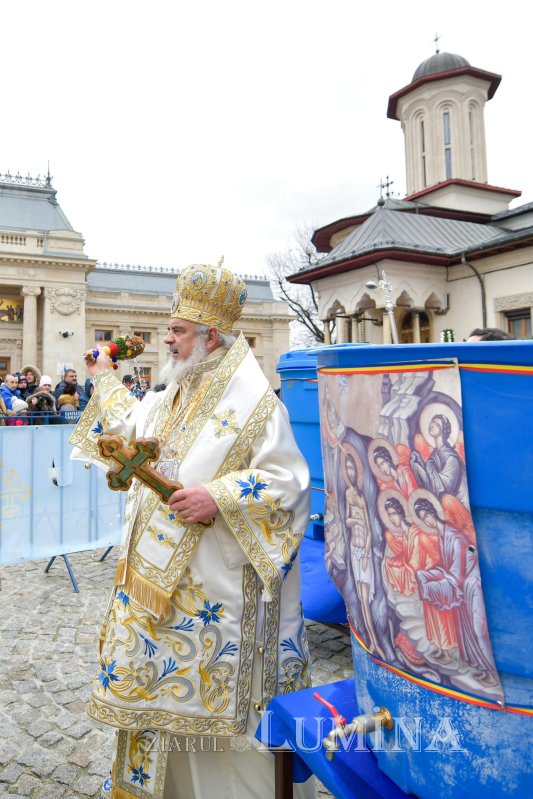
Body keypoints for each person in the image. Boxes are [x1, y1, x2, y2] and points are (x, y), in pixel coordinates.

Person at [70, 262, 315, 799]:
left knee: (218, 728)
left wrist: (219, 497)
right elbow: (128, 430)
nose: (167, 338)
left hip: (216, 593)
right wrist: (103, 381)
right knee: (158, 715)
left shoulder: (255, 404)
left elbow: (290, 485)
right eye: (170, 327)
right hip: (153, 594)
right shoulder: (171, 395)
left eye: (178, 330)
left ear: (210, 336)